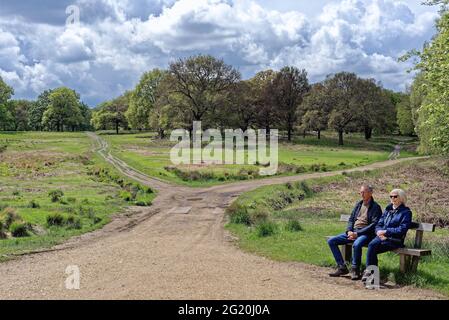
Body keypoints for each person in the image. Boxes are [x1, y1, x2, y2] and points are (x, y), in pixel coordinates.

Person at [327, 185, 383, 280]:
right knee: (331, 241)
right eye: (360, 192)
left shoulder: (376, 207)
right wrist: (349, 231)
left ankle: (355, 269)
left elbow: (374, 225)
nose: (362, 194)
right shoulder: (358, 204)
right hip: (353, 231)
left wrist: (357, 234)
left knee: (357, 244)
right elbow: (351, 219)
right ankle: (342, 267)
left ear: (370, 193)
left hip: (366, 234)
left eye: (364, 192)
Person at [362, 189, 412, 282]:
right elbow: (379, 224)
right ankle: (372, 275)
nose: (393, 198)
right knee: (372, 247)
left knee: (372, 246)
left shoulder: (406, 212)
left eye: (395, 196)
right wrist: (378, 232)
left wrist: (386, 232)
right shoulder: (388, 209)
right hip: (382, 238)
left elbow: (402, 229)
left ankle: (371, 273)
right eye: (391, 196)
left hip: (395, 240)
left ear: (401, 198)